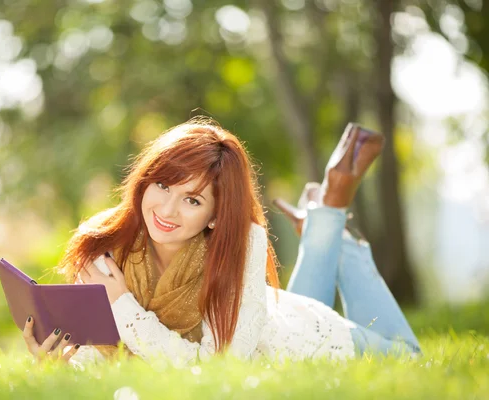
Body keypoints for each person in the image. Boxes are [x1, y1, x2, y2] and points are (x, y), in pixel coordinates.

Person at [21, 119, 421, 366]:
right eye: (162, 185)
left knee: (412, 358)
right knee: (276, 307)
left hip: (310, 341)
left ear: (216, 214)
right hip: (270, 315)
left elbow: (221, 366)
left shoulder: (239, 242)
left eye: (192, 200)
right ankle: (326, 224)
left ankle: (332, 217)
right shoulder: (112, 246)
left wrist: (123, 305)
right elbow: (104, 355)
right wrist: (57, 363)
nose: (167, 210)